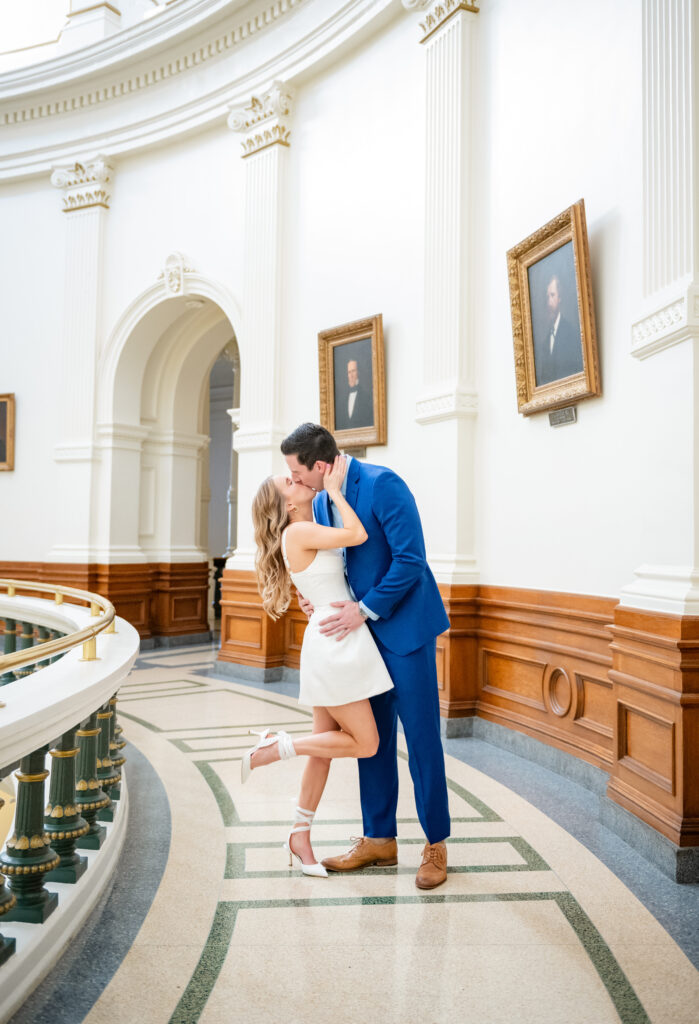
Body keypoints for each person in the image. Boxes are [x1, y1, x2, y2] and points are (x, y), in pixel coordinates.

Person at [280, 423, 451, 890]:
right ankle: (379, 839)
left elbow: (410, 560)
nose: (295, 480)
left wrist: (364, 609)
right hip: (356, 641)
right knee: (370, 741)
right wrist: (313, 597)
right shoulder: (320, 500)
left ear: (320, 466)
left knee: (421, 740)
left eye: (297, 472)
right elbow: (334, 564)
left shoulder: (383, 484)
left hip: (405, 631)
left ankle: (436, 844)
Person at [247, 456, 394, 877]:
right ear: (288, 504)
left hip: (332, 635)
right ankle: (277, 748)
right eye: (289, 481)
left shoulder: (304, 529)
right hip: (335, 644)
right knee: (366, 743)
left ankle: (300, 832)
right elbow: (358, 535)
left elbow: (328, 576)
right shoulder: (299, 531)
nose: (297, 479)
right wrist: (333, 490)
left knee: (323, 749)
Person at [534, 274, 583, 386]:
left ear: (560, 298)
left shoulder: (571, 333)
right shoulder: (545, 342)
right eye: (547, 297)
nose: (549, 302)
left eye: (552, 295)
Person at [334, 357, 373, 430]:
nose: (351, 375)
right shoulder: (342, 401)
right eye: (349, 372)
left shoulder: (367, 398)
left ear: (358, 373)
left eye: (353, 371)